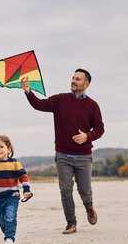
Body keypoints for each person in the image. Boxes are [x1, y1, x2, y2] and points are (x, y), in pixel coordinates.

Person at [21, 69, 104, 234]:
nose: (73, 81)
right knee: (66, 189)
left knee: (84, 191)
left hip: (83, 156)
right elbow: (39, 104)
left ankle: (89, 206)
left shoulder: (92, 105)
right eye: (73, 78)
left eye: (78, 79)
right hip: (63, 155)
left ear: (86, 84)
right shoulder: (60, 99)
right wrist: (28, 91)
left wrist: (88, 136)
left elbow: (100, 128)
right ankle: (71, 223)